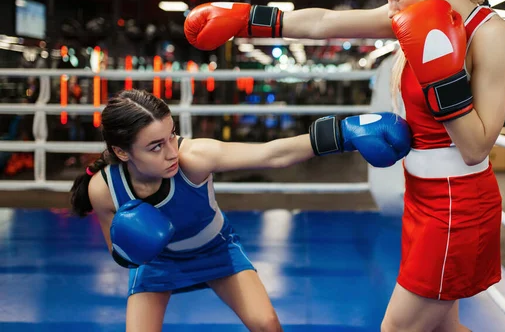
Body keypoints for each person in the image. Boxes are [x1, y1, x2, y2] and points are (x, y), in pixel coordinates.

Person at [183, 0, 505, 330]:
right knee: (443, 327)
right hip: (422, 195)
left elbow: (477, 147)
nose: (390, 7)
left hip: (457, 205)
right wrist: (244, 18)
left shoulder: (492, 35)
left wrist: (442, 80)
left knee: (397, 328)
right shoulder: (412, 16)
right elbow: (324, 22)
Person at [69, 88, 411, 332]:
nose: (171, 151)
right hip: (158, 264)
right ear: (123, 151)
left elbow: (271, 154)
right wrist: (133, 249)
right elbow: (121, 254)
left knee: (267, 325)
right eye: (156, 146)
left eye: (172, 136)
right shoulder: (105, 189)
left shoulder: (195, 158)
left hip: (216, 250)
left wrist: (341, 133)